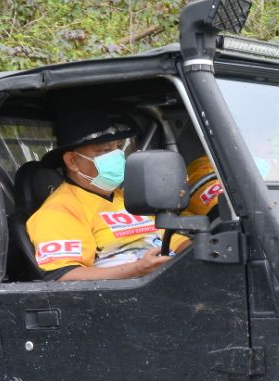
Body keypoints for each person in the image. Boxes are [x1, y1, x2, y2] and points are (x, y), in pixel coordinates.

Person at [25, 111, 171, 282]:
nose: (117, 156)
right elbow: (64, 276)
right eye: (105, 150)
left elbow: (169, 237)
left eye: (118, 147)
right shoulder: (58, 211)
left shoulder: (123, 196)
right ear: (72, 161)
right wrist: (137, 269)